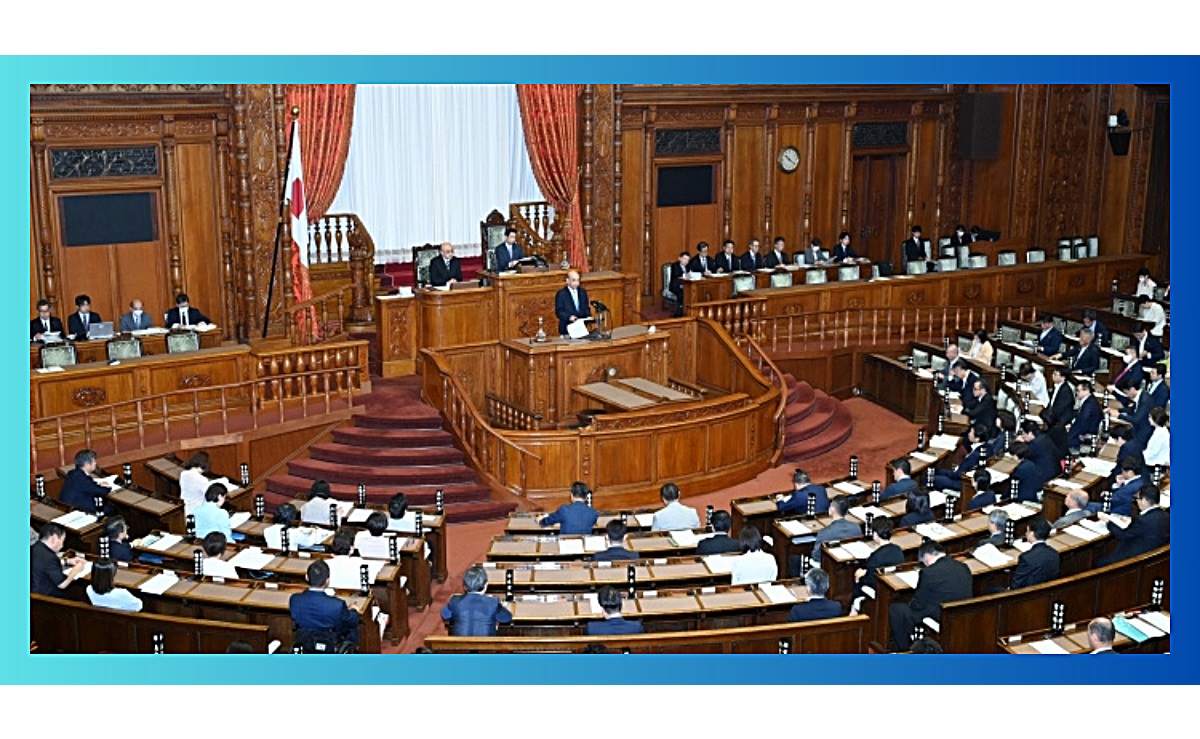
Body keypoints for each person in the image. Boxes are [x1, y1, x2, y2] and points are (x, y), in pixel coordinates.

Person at [888, 540, 972, 651]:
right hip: (962, 613)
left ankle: (904, 650)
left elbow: (918, 604)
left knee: (896, 609)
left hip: (941, 615)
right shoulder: (963, 567)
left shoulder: (928, 573)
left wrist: (910, 602)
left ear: (927, 556)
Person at [290, 559, 360, 645]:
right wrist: (354, 610)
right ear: (327, 581)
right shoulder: (337, 605)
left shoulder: (295, 600)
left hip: (305, 642)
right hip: (331, 643)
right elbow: (352, 620)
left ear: (306, 577)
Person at [1097, 485, 1169, 566]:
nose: (1137, 502)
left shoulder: (1143, 521)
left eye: (1137, 499)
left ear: (1144, 500)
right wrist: (1132, 522)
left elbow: (1122, 535)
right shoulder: (1166, 515)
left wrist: (1108, 522)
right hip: (1154, 556)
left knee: (1099, 562)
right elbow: (1143, 527)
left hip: (1134, 559)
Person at [441, 564, 512, 636]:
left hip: (460, 643)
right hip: (485, 643)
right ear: (486, 585)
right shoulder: (493, 602)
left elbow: (445, 615)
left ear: (464, 586)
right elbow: (507, 617)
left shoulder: (455, 601)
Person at [852, 516, 903, 599]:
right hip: (893, 586)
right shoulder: (898, 550)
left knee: (858, 574)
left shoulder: (875, 557)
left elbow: (870, 581)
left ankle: (855, 603)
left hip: (878, 589)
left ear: (875, 534)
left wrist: (860, 577)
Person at [31, 522, 87, 596]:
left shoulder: (36, 547)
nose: (62, 545)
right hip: (46, 596)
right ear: (54, 539)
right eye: (62, 541)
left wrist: (67, 561)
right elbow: (62, 584)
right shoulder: (50, 557)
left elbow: (43, 564)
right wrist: (75, 570)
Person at [807, 496, 861, 570]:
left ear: (832, 510)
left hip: (829, 568)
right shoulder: (856, 528)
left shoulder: (824, 533)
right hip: (850, 568)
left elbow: (816, 556)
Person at [931, 423, 988, 492]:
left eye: (971, 432)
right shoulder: (985, 447)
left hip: (961, 482)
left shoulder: (974, 456)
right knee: (937, 471)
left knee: (931, 478)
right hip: (962, 474)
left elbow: (957, 475)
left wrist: (951, 472)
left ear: (977, 439)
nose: (968, 434)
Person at [1010, 517, 1060, 589]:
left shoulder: (1026, 558)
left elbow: (1015, 585)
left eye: (1027, 531)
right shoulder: (1054, 554)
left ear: (1032, 534)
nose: (1025, 533)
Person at [60, 449, 112, 514]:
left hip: (70, 505)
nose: (95, 463)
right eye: (94, 461)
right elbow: (102, 491)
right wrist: (107, 487)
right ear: (87, 464)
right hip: (77, 510)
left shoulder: (73, 473)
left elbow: (89, 486)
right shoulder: (81, 478)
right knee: (110, 509)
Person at [1112, 377, 1152, 445]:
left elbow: (1136, 420)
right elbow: (1132, 409)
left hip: (1143, 432)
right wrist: (1118, 410)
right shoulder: (1141, 396)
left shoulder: (1145, 401)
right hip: (1138, 428)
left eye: (1126, 392)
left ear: (1132, 389)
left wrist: (1118, 415)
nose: (1126, 395)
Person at [1065, 380, 1102, 450]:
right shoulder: (1089, 400)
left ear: (1086, 391)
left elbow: (1082, 424)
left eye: (1078, 391)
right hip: (1083, 432)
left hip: (1086, 436)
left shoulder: (1089, 405)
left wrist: (1071, 431)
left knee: (1063, 439)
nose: (1076, 393)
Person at [553, 269, 592, 336]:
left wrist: (588, 316)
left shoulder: (583, 292)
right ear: (567, 281)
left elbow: (586, 307)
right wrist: (569, 317)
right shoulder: (561, 294)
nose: (576, 283)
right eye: (574, 280)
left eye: (578, 280)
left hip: (581, 328)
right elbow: (559, 311)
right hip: (567, 328)